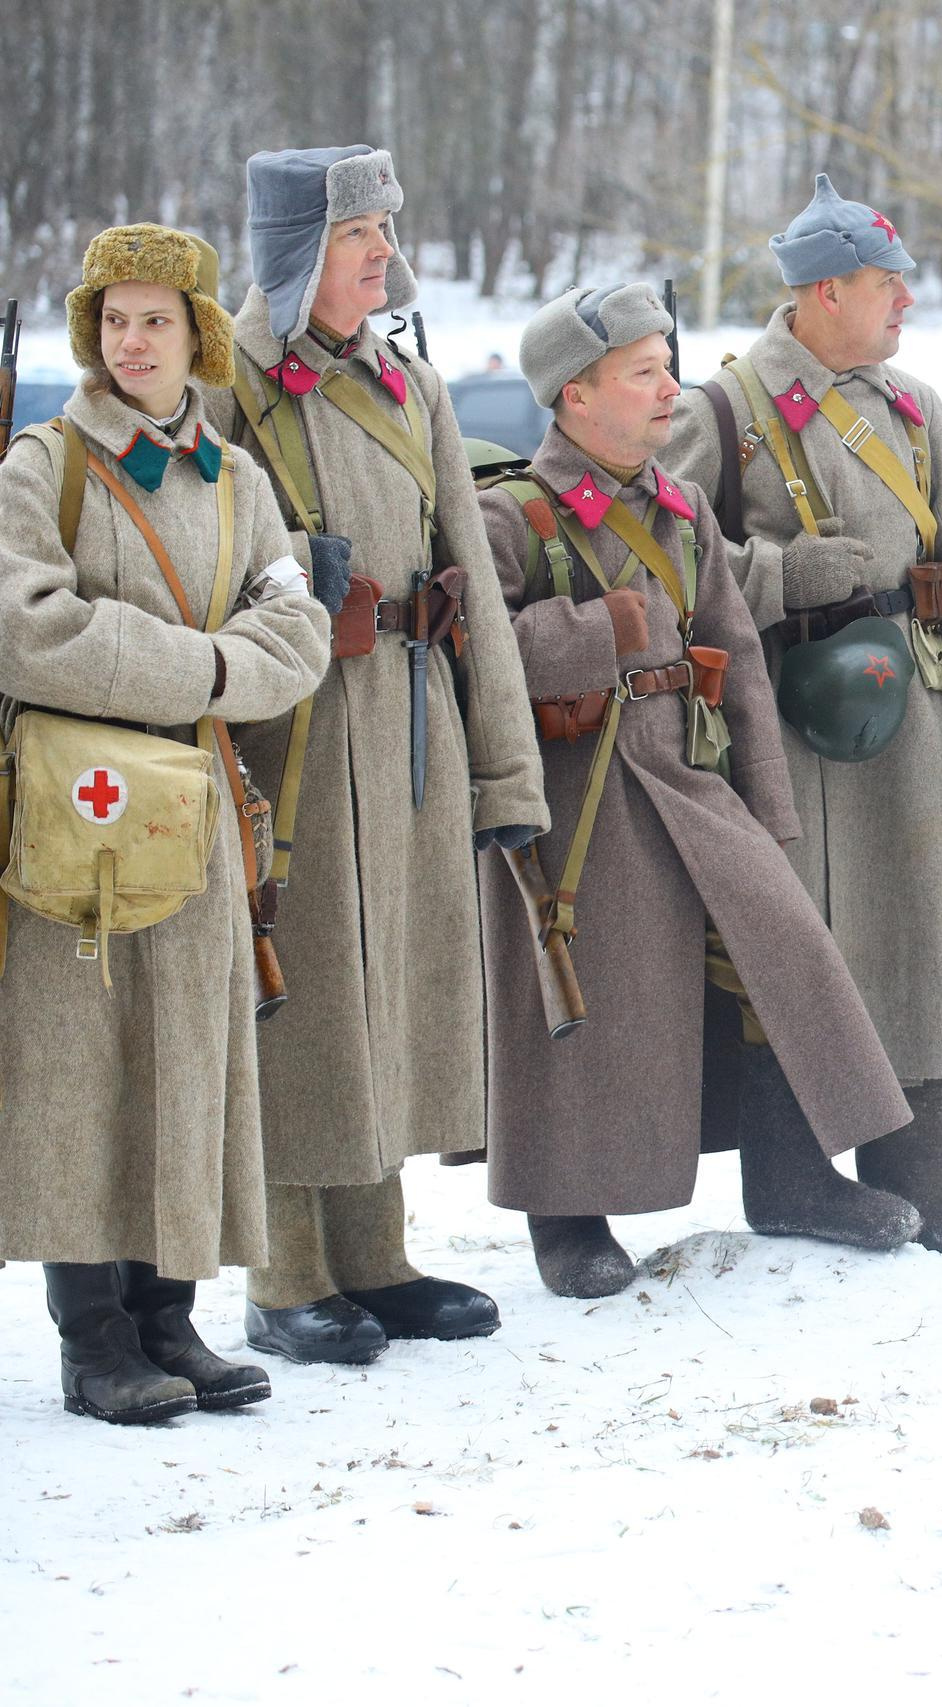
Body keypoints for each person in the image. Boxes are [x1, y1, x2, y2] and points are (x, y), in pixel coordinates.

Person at [476, 284, 914, 1297]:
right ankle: (566, 1219)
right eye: (644, 372)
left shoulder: (679, 509)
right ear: (577, 395)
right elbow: (479, 657)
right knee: (581, 1001)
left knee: (779, 952)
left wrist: (765, 802)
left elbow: (735, 654)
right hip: (578, 798)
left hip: (687, 774)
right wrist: (598, 631)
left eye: (667, 367)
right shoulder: (513, 514)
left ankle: (793, 1175)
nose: (670, 387)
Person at [210, 145, 549, 1365]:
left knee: (395, 985)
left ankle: (375, 1256)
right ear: (301, 247)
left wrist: (502, 765)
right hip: (289, 726)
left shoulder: (410, 382)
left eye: (386, 232)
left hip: (411, 712)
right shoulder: (226, 380)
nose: (385, 256)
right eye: (362, 234)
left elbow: (471, 578)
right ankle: (285, 1272)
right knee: (299, 996)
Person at [0, 223, 329, 1421]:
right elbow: (26, 627)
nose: (132, 342)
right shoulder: (44, 466)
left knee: (188, 1059)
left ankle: (168, 1321)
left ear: (200, 337)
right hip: (75, 806)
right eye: (114, 319)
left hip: (194, 805)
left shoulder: (239, 480)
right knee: (79, 1068)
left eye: (157, 320)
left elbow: (296, 625)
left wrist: (214, 672)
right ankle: (94, 1342)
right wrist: (205, 668)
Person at [666, 176, 942, 1254]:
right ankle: (791, 1177)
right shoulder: (723, 410)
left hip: (903, 710)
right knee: (803, 943)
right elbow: (665, 554)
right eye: (886, 284)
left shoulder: (912, 407)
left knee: (918, 935)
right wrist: (777, 575)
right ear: (825, 292)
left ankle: (922, 1175)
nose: (907, 300)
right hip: (787, 721)